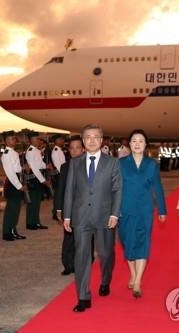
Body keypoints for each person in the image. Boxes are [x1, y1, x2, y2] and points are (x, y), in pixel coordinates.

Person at [63, 124, 122, 312]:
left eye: (96, 137)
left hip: (105, 216)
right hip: (81, 217)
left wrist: (114, 213)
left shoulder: (112, 163)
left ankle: (105, 280)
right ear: (83, 140)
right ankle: (83, 296)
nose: (91, 140)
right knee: (82, 256)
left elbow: (117, 189)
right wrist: (66, 215)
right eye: (88, 137)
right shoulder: (75, 162)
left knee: (105, 254)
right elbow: (70, 190)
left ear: (101, 139)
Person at [118, 129, 166, 298]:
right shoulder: (121, 163)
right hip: (125, 209)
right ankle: (132, 272)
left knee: (143, 242)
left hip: (145, 210)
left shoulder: (151, 164)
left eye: (141, 141)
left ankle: (138, 281)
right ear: (129, 144)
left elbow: (157, 187)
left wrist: (162, 209)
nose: (137, 144)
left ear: (145, 145)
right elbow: (115, 188)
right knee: (127, 242)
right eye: (134, 141)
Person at [55, 135, 85, 275]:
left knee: (86, 238)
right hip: (70, 209)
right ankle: (68, 264)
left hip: (86, 208)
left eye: (77, 148)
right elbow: (60, 189)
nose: (74, 151)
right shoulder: (65, 167)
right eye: (71, 148)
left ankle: (85, 263)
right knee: (68, 237)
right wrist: (59, 208)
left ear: (83, 149)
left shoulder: (90, 165)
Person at [0, 130, 27, 241]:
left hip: (16, 180)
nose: (14, 140)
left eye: (14, 138)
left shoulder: (13, 152)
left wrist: (23, 168)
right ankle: (7, 232)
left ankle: (13, 230)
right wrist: (19, 186)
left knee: (16, 209)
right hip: (13, 183)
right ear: (6, 141)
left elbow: (16, 169)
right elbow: (10, 172)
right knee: (11, 209)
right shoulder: (6, 153)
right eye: (12, 138)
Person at [24, 131, 51, 230]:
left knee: (37, 202)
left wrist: (46, 166)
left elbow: (39, 164)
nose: (39, 140)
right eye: (37, 139)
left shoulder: (36, 150)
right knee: (33, 202)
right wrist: (43, 181)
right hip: (35, 179)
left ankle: (35, 222)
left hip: (37, 178)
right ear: (31, 140)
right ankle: (31, 223)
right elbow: (35, 168)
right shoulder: (31, 151)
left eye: (38, 139)